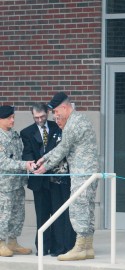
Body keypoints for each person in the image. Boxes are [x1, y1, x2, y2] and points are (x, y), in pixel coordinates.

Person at [34, 92, 99, 261]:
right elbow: (63, 146)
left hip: (82, 172)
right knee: (87, 208)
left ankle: (80, 247)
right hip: (85, 172)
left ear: (64, 107)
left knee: (79, 208)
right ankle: (87, 247)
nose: (55, 116)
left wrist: (44, 168)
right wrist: (44, 158)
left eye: (56, 111)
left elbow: (63, 149)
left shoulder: (74, 123)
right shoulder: (78, 120)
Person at [21, 103, 74, 256]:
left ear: (47, 114)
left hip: (56, 179)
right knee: (42, 215)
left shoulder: (57, 126)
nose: (39, 120)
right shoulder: (27, 132)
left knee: (58, 213)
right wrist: (31, 164)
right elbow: (28, 152)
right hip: (39, 180)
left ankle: (59, 247)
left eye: (42, 117)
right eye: (36, 117)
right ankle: (43, 247)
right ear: (32, 116)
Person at [0, 106, 36, 257]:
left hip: (18, 183)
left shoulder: (14, 135)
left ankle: (13, 242)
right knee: (4, 215)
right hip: (5, 186)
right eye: (9, 118)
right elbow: (3, 162)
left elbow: (21, 154)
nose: (12, 120)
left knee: (18, 214)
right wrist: (24, 165)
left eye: (13, 117)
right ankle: (1, 243)